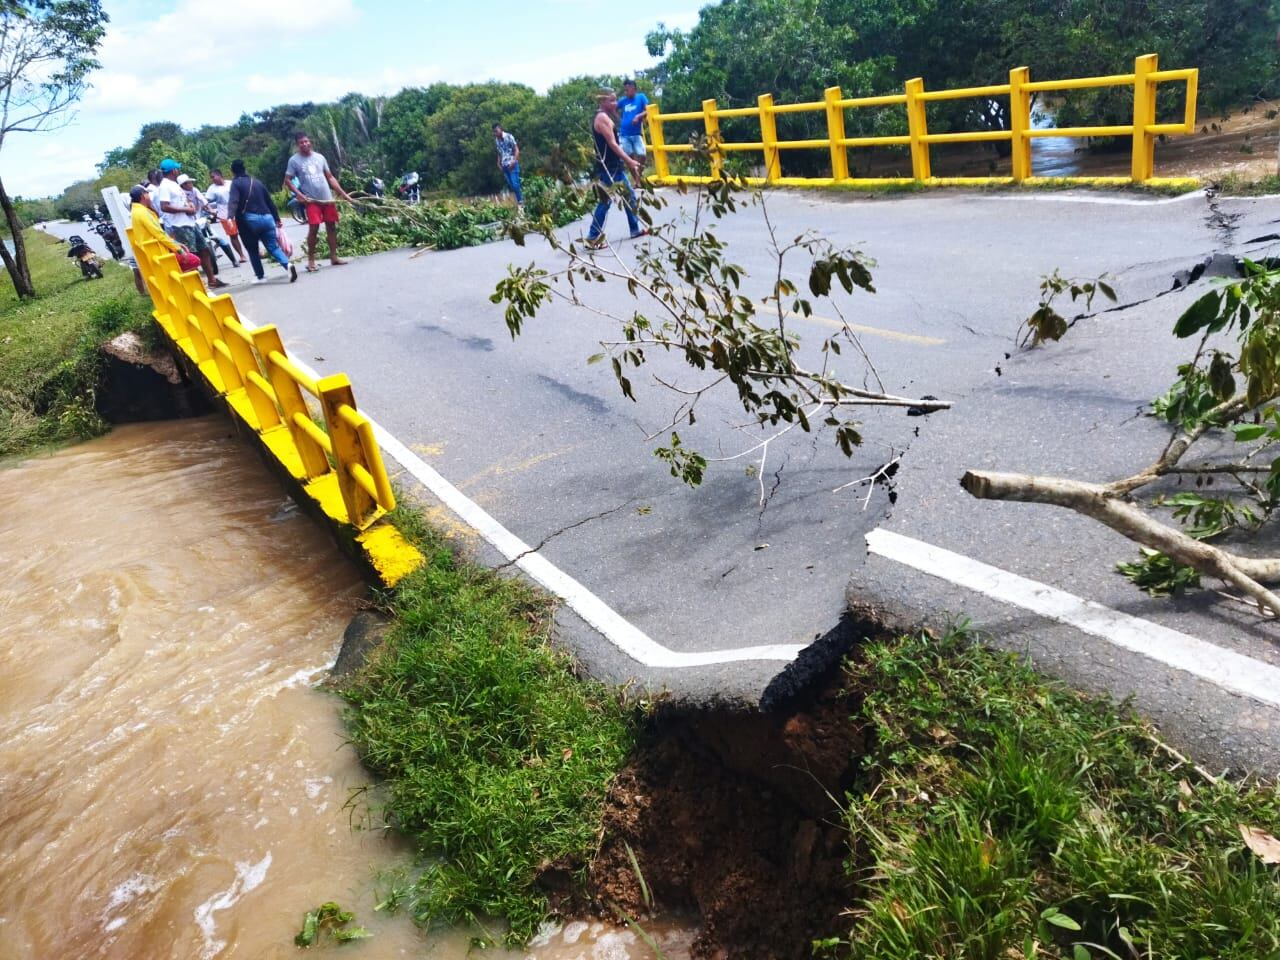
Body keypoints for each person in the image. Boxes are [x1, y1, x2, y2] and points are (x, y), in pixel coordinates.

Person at [284, 132, 352, 273]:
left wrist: (343, 194)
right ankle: (311, 261)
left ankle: (334, 257)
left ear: (310, 142)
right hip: (311, 200)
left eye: (306, 141)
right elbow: (288, 180)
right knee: (313, 228)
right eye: (301, 142)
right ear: (298, 145)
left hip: (327, 198)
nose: (304, 144)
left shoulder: (320, 157)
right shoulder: (294, 161)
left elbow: (330, 177)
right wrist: (300, 195)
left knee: (331, 227)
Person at [585, 90, 645, 250]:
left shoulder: (606, 116)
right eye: (612, 101)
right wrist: (630, 161)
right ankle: (592, 237)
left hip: (613, 166)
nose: (615, 103)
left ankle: (634, 229)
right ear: (602, 101)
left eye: (615, 100)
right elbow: (613, 144)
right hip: (609, 167)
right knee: (606, 201)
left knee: (629, 196)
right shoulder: (602, 118)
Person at [156, 158, 226, 288]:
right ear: (173, 170)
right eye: (177, 168)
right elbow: (164, 206)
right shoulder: (164, 186)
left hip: (191, 222)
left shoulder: (174, 184)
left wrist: (190, 205)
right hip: (180, 226)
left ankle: (212, 280)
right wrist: (185, 209)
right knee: (190, 255)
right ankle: (197, 285)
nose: (178, 170)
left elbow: (183, 199)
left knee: (204, 250)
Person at [231, 158, 297, 283]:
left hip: (249, 222)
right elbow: (270, 202)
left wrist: (230, 216)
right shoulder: (257, 182)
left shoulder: (236, 184)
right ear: (245, 169)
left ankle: (260, 276)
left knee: (252, 250)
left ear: (233, 171)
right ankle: (287, 265)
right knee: (273, 247)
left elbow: (233, 201)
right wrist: (277, 218)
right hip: (267, 218)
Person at [204, 169, 249, 265]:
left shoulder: (231, 183)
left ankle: (256, 251)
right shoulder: (212, 189)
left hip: (238, 211)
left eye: (213, 177)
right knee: (233, 235)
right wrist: (211, 210)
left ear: (220, 175)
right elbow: (205, 201)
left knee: (247, 232)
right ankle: (242, 255)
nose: (212, 179)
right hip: (224, 214)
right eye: (211, 178)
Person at [617, 79, 650, 170]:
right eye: (625, 90)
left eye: (627, 90)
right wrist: (618, 119)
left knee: (642, 154)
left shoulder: (641, 97)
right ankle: (637, 182)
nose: (625, 92)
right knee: (630, 158)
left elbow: (648, 110)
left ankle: (639, 177)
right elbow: (613, 108)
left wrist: (638, 116)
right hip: (624, 134)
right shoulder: (623, 101)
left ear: (634, 89)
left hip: (636, 133)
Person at [493, 123, 523, 207]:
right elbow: (499, 152)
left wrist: (514, 161)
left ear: (501, 129)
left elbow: (516, 149)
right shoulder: (496, 140)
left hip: (512, 164)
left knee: (515, 184)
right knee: (512, 185)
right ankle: (521, 197)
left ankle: (521, 202)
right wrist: (498, 163)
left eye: (496, 131)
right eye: (494, 132)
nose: (495, 133)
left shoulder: (509, 136)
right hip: (504, 166)